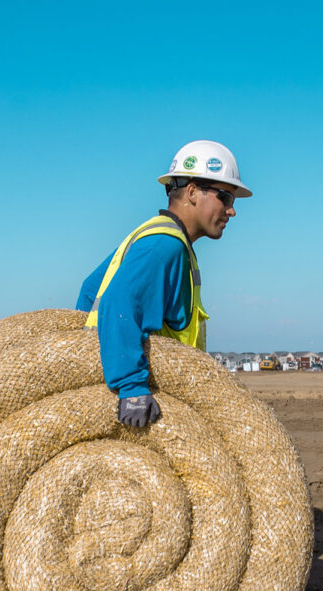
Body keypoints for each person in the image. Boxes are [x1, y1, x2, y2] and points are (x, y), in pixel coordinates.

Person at [76, 140, 252, 427]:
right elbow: (117, 302)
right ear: (193, 192)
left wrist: (83, 353)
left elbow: (89, 291)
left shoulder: (158, 237)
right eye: (226, 198)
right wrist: (132, 388)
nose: (231, 211)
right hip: (157, 398)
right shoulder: (163, 246)